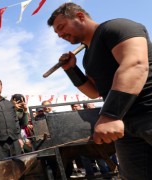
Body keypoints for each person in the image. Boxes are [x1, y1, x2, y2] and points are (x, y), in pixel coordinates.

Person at [47, 2, 152, 179]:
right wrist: (72, 70)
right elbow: (94, 92)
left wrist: (110, 115)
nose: (61, 35)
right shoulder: (88, 56)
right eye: (57, 33)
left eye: (62, 27)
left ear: (80, 16)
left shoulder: (116, 27)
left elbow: (135, 65)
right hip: (124, 125)